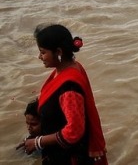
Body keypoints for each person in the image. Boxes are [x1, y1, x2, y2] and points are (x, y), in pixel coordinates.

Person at [20, 24, 108, 164]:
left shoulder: (69, 88)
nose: (39, 57)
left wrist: (38, 142)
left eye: (43, 52)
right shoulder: (69, 68)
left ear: (59, 52)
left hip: (69, 157)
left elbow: (74, 131)